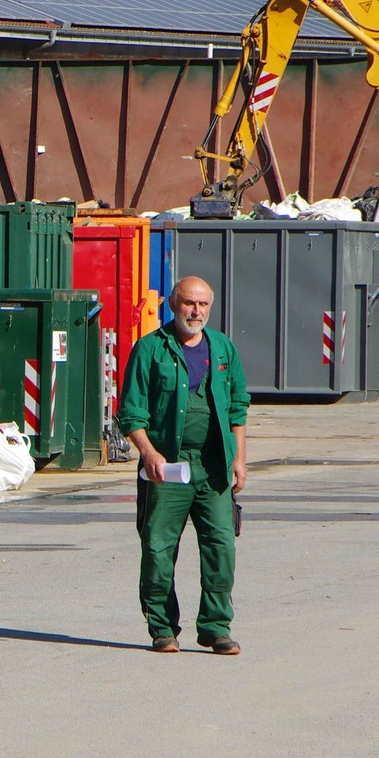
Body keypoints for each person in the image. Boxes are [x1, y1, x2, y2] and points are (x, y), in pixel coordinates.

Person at [116, 276, 249, 655]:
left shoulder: (223, 348)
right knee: (158, 550)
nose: (196, 311)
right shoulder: (150, 349)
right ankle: (162, 628)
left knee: (221, 546)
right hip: (168, 467)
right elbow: (131, 412)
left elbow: (238, 407)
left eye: (203, 304)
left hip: (214, 467)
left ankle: (215, 628)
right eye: (189, 303)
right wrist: (149, 453)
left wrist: (239, 458)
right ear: (174, 304)